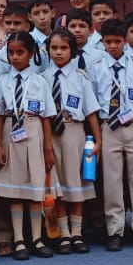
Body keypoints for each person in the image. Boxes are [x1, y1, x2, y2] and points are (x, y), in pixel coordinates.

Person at [89, 18, 133, 252]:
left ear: (125, 40)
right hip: (109, 126)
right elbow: (93, 102)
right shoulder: (96, 68)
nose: (114, 46)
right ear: (103, 42)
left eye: (117, 41)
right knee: (112, 181)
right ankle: (114, 230)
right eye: (109, 42)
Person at [0, 32, 56, 260]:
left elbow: (46, 117)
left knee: (34, 188)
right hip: (10, 131)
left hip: (32, 129)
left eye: (20, 52)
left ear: (30, 54)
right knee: (15, 190)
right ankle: (19, 239)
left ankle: (37, 238)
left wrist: (47, 148)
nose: (15, 57)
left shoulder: (40, 81)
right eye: (11, 52)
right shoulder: (3, 81)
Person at [42, 29, 100, 253]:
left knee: (76, 184)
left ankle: (77, 233)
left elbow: (91, 110)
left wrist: (98, 140)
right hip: (51, 135)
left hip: (74, 131)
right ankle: (63, 234)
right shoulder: (43, 78)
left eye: (64, 48)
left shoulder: (80, 77)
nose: (58, 52)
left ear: (72, 51)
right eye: (54, 48)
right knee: (57, 185)